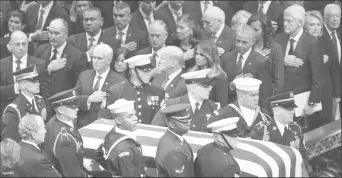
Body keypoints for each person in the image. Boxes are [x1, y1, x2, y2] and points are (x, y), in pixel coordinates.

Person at [274, 5, 323, 122]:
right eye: (284, 20)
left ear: (300, 23)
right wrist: (282, 61)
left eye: (289, 21)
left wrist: (312, 103)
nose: (285, 24)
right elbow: (267, 64)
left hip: (301, 102)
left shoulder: (312, 43)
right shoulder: (278, 39)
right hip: (279, 100)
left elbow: (318, 77)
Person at [34, 18, 86, 119]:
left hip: (63, 109)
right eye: (50, 32)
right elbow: (33, 77)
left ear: (66, 34)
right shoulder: (40, 50)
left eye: (56, 33)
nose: (52, 37)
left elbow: (78, 87)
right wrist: (48, 70)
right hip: (41, 107)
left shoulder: (77, 56)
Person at [98, 54, 165, 124]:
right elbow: (104, 120)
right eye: (145, 71)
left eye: (150, 70)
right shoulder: (116, 91)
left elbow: (162, 120)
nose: (149, 74)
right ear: (133, 71)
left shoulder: (158, 92)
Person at [151, 69, 221, 132]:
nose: (210, 89)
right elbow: (155, 129)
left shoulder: (214, 108)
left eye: (210, 85)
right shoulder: (172, 104)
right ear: (192, 89)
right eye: (205, 86)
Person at [249, 91, 309, 164]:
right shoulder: (261, 131)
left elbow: (304, 155)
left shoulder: (296, 128)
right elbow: (255, 161)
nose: (292, 112)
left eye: (293, 108)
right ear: (277, 111)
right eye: (289, 109)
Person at [221, 24, 273, 107]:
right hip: (229, 108)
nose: (240, 45)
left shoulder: (261, 62)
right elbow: (219, 88)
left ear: (253, 41)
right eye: (238, 41)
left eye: (244, 42)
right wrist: (232, 84)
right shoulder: (226, 59)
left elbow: (265, 94)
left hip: (250, 110)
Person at [74, 44, 125, 129]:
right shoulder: (85, 75)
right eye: (94, 58)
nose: (95, 61)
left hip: (106, 127)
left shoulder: (119, 81)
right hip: (82, 125)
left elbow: (118, 109)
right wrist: (89, 99)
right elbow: (74, 99)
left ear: (109, 60)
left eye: (99, 58)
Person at [305, 11, 340, 125]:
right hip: (306, 93)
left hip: (325, 93)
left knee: (325, 125)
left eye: (318, 24)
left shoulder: (326, 42)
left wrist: (337, 93)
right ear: (304, 26)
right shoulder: (300, 44)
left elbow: (335, 68)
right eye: (312, 25)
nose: (315, 28)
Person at [44, 89, 89, 177]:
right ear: (60, 110)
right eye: (72, 107)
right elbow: (73, 173)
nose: (77, 109)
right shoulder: (65, 140)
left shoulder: (53, 121)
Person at [95, 99, 145, 177]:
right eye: (130, 116)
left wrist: (114, 171)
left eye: (134, 114)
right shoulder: (124, 149)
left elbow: (98, 156)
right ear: (119, 120)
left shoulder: (112, 134)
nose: (136, 118)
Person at [207, 78, 272, 138]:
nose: (256, 98)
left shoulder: (265, 116)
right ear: (241, 97)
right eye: (252, 95)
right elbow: (206, 135)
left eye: (257, 94)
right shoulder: (223, 114)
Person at [0, 31, 45, 116]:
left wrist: (44, 112)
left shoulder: (39, 64)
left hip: (33, 115)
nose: (21, 48)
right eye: (17, 44)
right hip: (6, 114)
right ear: (10, 46)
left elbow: (45, 93)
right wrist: (15, 88)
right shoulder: (1, 65)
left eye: (24, 44)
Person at [1, 65, 46, 142]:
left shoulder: (39, 100)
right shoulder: (14, 110)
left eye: (38, 81)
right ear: (22, 85)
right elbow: (10, 141)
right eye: (33, 81)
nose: (38, 84)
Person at [68, 7, 121, 71]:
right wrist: (87, 55)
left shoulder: (113, 43)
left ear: (101, 21)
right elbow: (70, 64)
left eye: (92, 20)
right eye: (85, 20)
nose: (88, 23)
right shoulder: (73, 41)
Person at [247, 12, 285, 95]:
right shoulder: (246, 46)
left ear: (264, 31)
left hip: (266, 97)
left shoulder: (275, 49)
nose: (251, 33)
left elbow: (278, 82)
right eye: (249, 29)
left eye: (256, 30)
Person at [155, 103, 194, 177]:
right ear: (172, 124)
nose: (188, 123)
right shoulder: (173, 150)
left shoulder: (177, 139)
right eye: (184, 120)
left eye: (188, 119)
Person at [323, 4, 341, 119]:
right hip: (326, 89)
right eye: (332, 16)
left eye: (338, 16)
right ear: (325, 18)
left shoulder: (339, 33)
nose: (335, 19)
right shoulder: (318, 34)